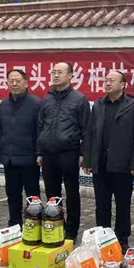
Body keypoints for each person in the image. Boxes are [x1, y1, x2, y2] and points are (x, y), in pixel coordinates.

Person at [82, 71, 134, 252]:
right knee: (101, 204)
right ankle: (102, 237)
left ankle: (122, 239)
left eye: (112, 80)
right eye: (106, 80)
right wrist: (88, 160)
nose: (108, 83)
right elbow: (90, 133)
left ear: (123, 85)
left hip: (122, 165)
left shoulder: (132, 106)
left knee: (123, 205)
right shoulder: (98, 104)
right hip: (101, 164)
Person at [36, 61, 90, 241]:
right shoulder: (47, 99)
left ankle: (72, 230)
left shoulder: (79, 99)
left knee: (72, 193)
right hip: (48, 153)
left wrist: (83, 153)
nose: (56, 75)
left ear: (70, 76)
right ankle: (57, 225)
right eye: (53, 72)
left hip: (69, 153)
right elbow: (40, 126)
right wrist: (39, 152)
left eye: (60, 72)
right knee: (52, 194)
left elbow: (86, 129)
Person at [0, 69, 41, 227]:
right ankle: (14, 224)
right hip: (10, 160)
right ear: (6, 83)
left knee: (32, 197)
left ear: (26, 83)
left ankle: (33, 225)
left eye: (18, 81)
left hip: (29, 160)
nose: (14, 84)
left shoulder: (35, 103)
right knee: (12, 195)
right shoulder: (4, 104)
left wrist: (39, 153)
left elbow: (40, 131)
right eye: (11, 81)